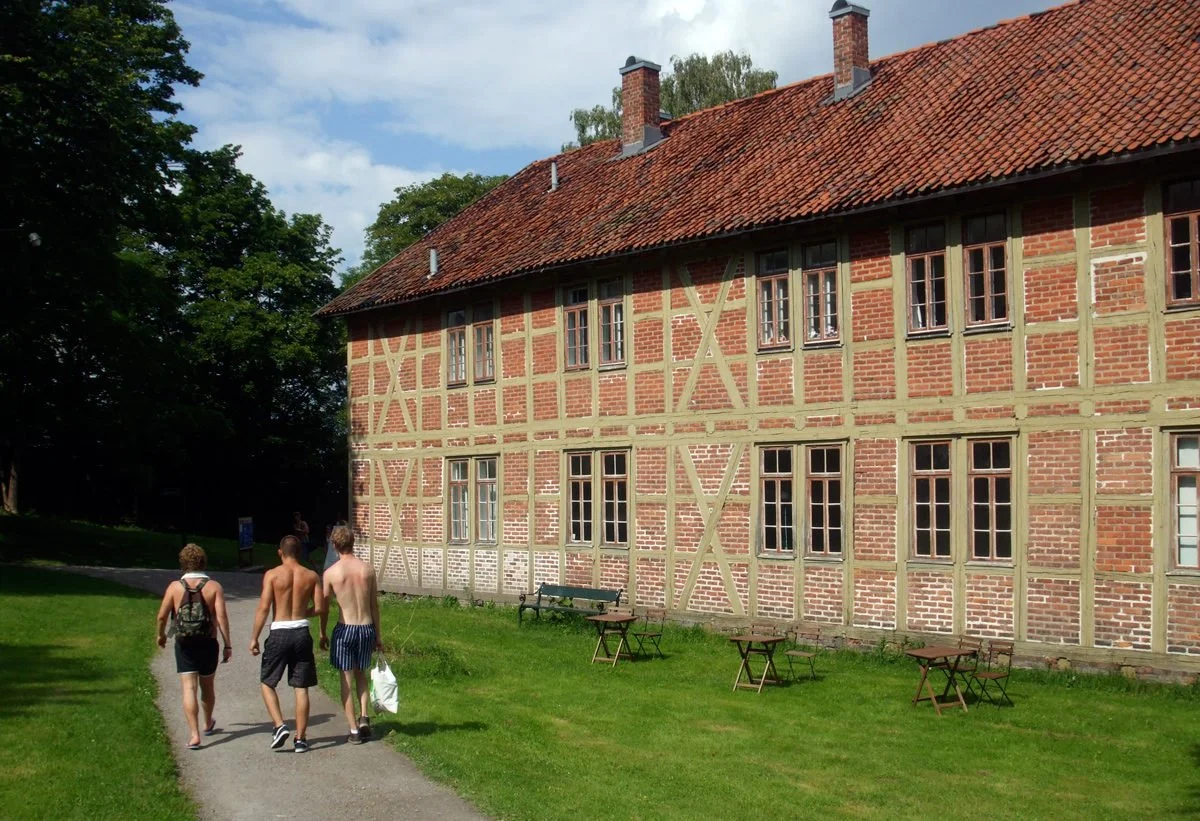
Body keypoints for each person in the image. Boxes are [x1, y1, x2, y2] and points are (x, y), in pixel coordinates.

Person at [250, 535, 324, 753]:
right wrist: (302, 613)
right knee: (301, 687)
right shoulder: (311, 575)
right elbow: (320, 608)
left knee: (267, 681)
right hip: (301, 631)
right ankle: (301, 739)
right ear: (300, 553)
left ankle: (279, 724)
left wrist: (254, 637)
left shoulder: (272, 575)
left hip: (279, 630)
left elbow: (264, 608)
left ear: (280, 552)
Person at [155, 544, 233, 751]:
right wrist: (227, 644)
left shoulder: (174, 587)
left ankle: (194, 735)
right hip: (208, 642)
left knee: (188, 687)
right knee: (207, 686)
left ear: (183, 563)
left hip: (184, 643)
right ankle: (208, 722)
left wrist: (161, 635)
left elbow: (162, 616)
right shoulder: (214, 587)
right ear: (203, 562)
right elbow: (222, 617)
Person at [319, 526, 384, 744]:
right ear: (353, 543)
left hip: (345, 628)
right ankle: (364, 716)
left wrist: (322, 631)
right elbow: (374, 605)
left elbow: (324, 605)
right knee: (361, 674)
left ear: (335, 545)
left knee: (345, 679)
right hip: (366, 627)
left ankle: (354, 730)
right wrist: (378, 634)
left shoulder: (331, 573)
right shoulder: (368, 570)